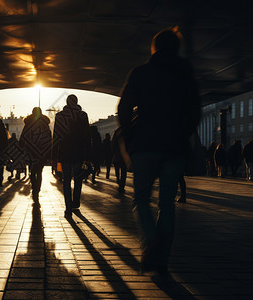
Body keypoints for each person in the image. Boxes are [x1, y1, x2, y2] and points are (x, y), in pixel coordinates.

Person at [117, 27, 201, 274]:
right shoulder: (186, 76)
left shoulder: (141, 73)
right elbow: (195, 112)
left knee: (141, 197)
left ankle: (151, 240)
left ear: (154, 48)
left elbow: (123, 108)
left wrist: (130, 138)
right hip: (174, 147)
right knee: (167, 202)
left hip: (145, 145)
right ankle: (162, 259)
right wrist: (183, 135)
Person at [52, 94, 91, 218]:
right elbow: (87, 136)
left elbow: (56, 136)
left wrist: (54, 154)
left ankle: (68, 206)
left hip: (65, 152)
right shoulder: (82, 115)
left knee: (66, 180)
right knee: (78, 179)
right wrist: (88, 155)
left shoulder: (60, 116)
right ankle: (76, 202)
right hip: (79, 152)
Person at [20, 107, 52, 202]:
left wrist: (21, 147)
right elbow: (49, 138)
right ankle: (37, 190)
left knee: (32, 171)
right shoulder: (45, 124)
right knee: (39, 171)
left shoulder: (28, 123)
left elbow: (23, 137)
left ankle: (34, 189)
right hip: (42, 152)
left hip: (31, 151)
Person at [111, 127, 127, 193]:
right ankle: (122, 186)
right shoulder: (127, 130)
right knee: (124, 172)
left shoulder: (117, 131)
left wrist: (114, 152)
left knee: (117, 170)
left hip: (117, 156)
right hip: (124, 156)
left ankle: (118, 180)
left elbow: (113, 144)